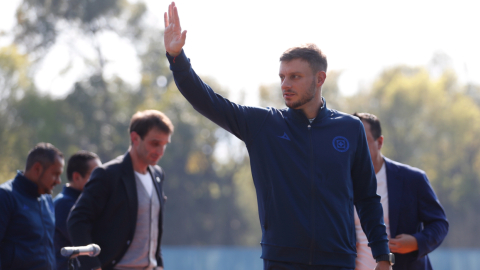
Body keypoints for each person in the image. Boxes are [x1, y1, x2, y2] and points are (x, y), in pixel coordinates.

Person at [163, 3, 392, 269]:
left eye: (295, 77)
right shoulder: (264, 124)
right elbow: (207, 101)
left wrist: (382, 256)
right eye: (282, 77)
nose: (285, 85)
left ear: (320, 79)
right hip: (281, 260)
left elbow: (367, 198)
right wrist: (177, 58)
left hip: (338, 260)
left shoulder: (350, 128)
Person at [68, 110, 173, 270]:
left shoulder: (158, 174)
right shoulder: (108, 174)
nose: (160, 151)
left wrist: (158, 264)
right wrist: (92, 266)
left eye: (164, 145)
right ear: (135, 138)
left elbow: (152, 228)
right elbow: (77, 221)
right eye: (155, 143)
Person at [352, 113, 448, 270]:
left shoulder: (413, 179)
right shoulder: (340, 183)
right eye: (352, 143)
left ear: (380, 142)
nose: (357, 149)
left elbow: (440, 224)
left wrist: (417, 241)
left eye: (364, 142)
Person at [0, 142, 64, 270]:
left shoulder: (47, 198)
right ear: (37, 169)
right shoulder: (6, 196)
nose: (58, 181)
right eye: (55, 174)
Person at [54, 150, 102, 270]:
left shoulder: (84, 203)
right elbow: (94, 238)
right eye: (95, 175)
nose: (101, 180)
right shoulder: (64, 205)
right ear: (77, 177)